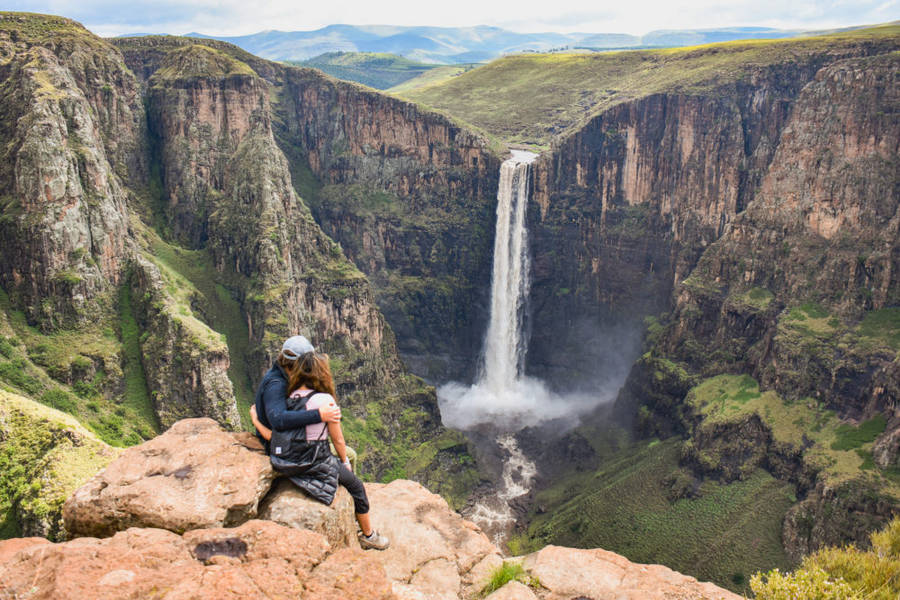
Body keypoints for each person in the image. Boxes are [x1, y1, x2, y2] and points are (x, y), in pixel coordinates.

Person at [251, 341, 390, 551]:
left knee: (349, 455)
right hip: (301, 453)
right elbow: (280, 421)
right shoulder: (278, 385)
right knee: (354, 480)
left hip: (287, 448)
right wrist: (320, 415)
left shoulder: (291, 393)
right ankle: (368, 534)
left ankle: (349, 496)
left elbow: (281, 426)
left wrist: (255, 421)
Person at [253, 335, 341, 453]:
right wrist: (319, 414)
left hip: (292, 440)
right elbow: (278, 419)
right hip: (282, 446)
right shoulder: (276, 383)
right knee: (349, 454)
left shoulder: (284, 376)